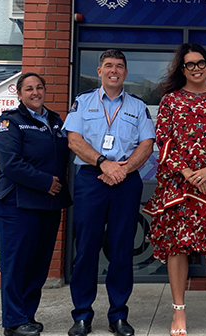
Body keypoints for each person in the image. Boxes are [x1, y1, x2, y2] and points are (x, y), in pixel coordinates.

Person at [142, 43, 206, 336]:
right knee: (178, 247)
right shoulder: (170, 101)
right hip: (179, 185)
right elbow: (164, 139)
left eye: (201, 63)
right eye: (190, 64)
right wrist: (186, 171)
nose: (196, 68)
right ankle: (178, 313)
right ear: (182, 68)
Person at [63, 49, 155, 336]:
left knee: (121, 249)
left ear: (125, 73)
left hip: (126, 180)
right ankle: (82, 315)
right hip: (91, 178)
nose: (114, 70)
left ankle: (118, 315)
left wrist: (121, 171)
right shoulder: (83, 102)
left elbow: (147, 144)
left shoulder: (137, 106)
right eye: (108, 66)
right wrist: (104, 164)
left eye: (119, 66)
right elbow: (74, 141)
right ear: (100, 71)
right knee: (87, 247)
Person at [0, 72, 72, 336]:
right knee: (16, 266)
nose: (35, 92)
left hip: (48, 207)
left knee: (38, 266)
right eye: (29, 88)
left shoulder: (56, 121)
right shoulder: (10, 121)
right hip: (17, 204)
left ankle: (27, 316)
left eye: (39, 87)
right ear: (19, 93)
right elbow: (10, 164)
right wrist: (45, 182)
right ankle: (13, 323)